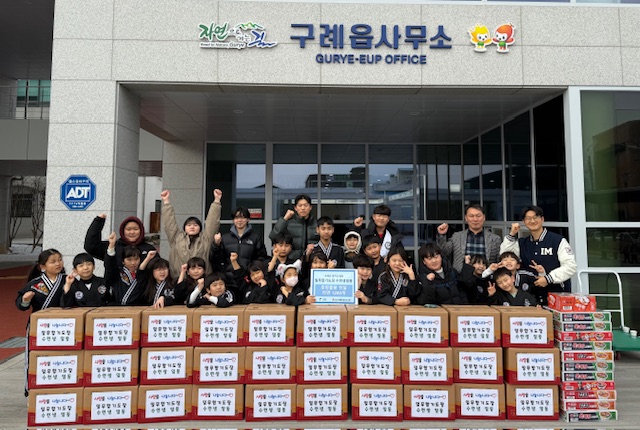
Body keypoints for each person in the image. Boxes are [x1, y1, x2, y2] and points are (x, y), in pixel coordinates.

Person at [500, 205, 577, 297]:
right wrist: (512, 234)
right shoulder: (522, 243)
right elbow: (504, 256)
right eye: (528, 218)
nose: (532, 221)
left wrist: (548, 278)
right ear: (524, 221)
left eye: (535, 217)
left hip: (556, 295)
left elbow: (571, 266)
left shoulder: (557, 240)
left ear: (542, 219)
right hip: (529, 297)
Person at [161, 188, 222, 278]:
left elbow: (212, 222)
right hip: (180, 279)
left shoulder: (206, 238)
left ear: (200, 228)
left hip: (203, 280)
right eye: (189, 225)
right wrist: (166, 202)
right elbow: (169, 223)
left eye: (195, 225)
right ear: (184, 228)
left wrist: (216, 201)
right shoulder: (177, 238)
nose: (192, 227)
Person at [210, 206, 268, 286]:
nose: (239, 220)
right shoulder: (225, 238)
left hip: (248, 280)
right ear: (233, 220)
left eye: (243, 217)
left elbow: (261, 258)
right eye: (236, 218)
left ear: (248, 219)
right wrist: (216, 245)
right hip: (229, 280)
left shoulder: (255, 238)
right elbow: (216, 259)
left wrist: (253, 272)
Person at [436, 204, 501, 274]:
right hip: (461, 277)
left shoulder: (495, 239)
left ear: (484, 217)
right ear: (466, 218)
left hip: (486, 277)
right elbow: (443, 252)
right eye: (471, 216)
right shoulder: (457, 236)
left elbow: (499, 260)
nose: (475, 219)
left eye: (478, 216)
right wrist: (441, 235)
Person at [84, 214, 156, 268]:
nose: (132, 232)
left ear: (141, 231)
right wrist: (98, 221)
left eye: (135, 229)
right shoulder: (112, 246)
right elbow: (91, 246)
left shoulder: (149, 249)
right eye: (128, 229)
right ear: (123, 231)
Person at [104, 232, 155, 306]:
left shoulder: (145, 274)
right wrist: (111, 246)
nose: (133, 263)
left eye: (136, 259)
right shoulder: (118, 274)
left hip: (140, 308)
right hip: (118, 309)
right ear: (123, 261)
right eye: (129, 260)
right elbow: (110, 266)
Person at [269, 194, 318, 260]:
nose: (303, 208)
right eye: (300, 205)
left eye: (306, 205)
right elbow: (273, 236)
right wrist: (285, 219)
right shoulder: (289, 224)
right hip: (292, 261)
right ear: (295, 208)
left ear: (310, 207)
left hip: (313, 261)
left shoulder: (317, 224)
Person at [16, 249, 66, 314]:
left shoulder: (69, 280)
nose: (58, 264)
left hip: (64, 318)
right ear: (43, 266)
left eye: (60, 260)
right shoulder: (34, 284)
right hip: (40, 319)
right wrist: (25, 301)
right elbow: (22, 306)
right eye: (53, 262)